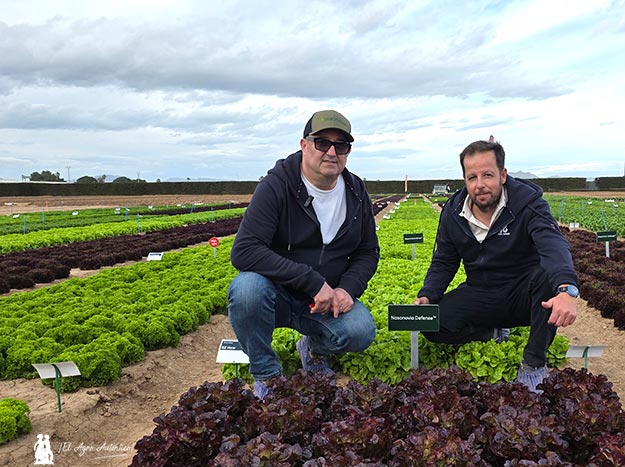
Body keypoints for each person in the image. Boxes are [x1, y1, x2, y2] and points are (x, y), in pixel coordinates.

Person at [228, 110, 379, 400]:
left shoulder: (356, 191)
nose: (332, 152)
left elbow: (367, 252)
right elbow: (244, 250)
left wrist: (347, 289)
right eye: (322, 142)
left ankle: (313, 349)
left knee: (361, 331)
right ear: (304, 145)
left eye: (342, 145)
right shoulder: (277, 185)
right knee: (246, 290)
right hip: (277, 295)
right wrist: (312, 282)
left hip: (327, 302)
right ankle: (267, 376)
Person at [414, 140, 579, 393]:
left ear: (503, 175)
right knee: (431, 323)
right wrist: (428, 295)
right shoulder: (453, 212)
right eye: (472, 177)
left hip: (522, 294)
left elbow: (552, 245)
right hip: (481, 292)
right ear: (464, 180)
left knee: (546, 278)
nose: (479, 184)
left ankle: (534, 363)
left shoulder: (528, 204)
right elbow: (444, 261)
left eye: (487, 175)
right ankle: (492, 333)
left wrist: (566, 288)